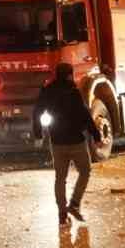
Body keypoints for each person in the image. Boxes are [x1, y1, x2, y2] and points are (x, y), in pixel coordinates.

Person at [32, 62, 101, 227]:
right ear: (69, 74)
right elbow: (85, 115)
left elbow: (37, 112)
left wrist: (38, 134)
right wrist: (96, 135)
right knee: (85, 171)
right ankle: (75, 204)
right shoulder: (73, 91)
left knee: (60, 179)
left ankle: (62, 215)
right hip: (76, 141)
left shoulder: (47, 91)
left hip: (57, 142)